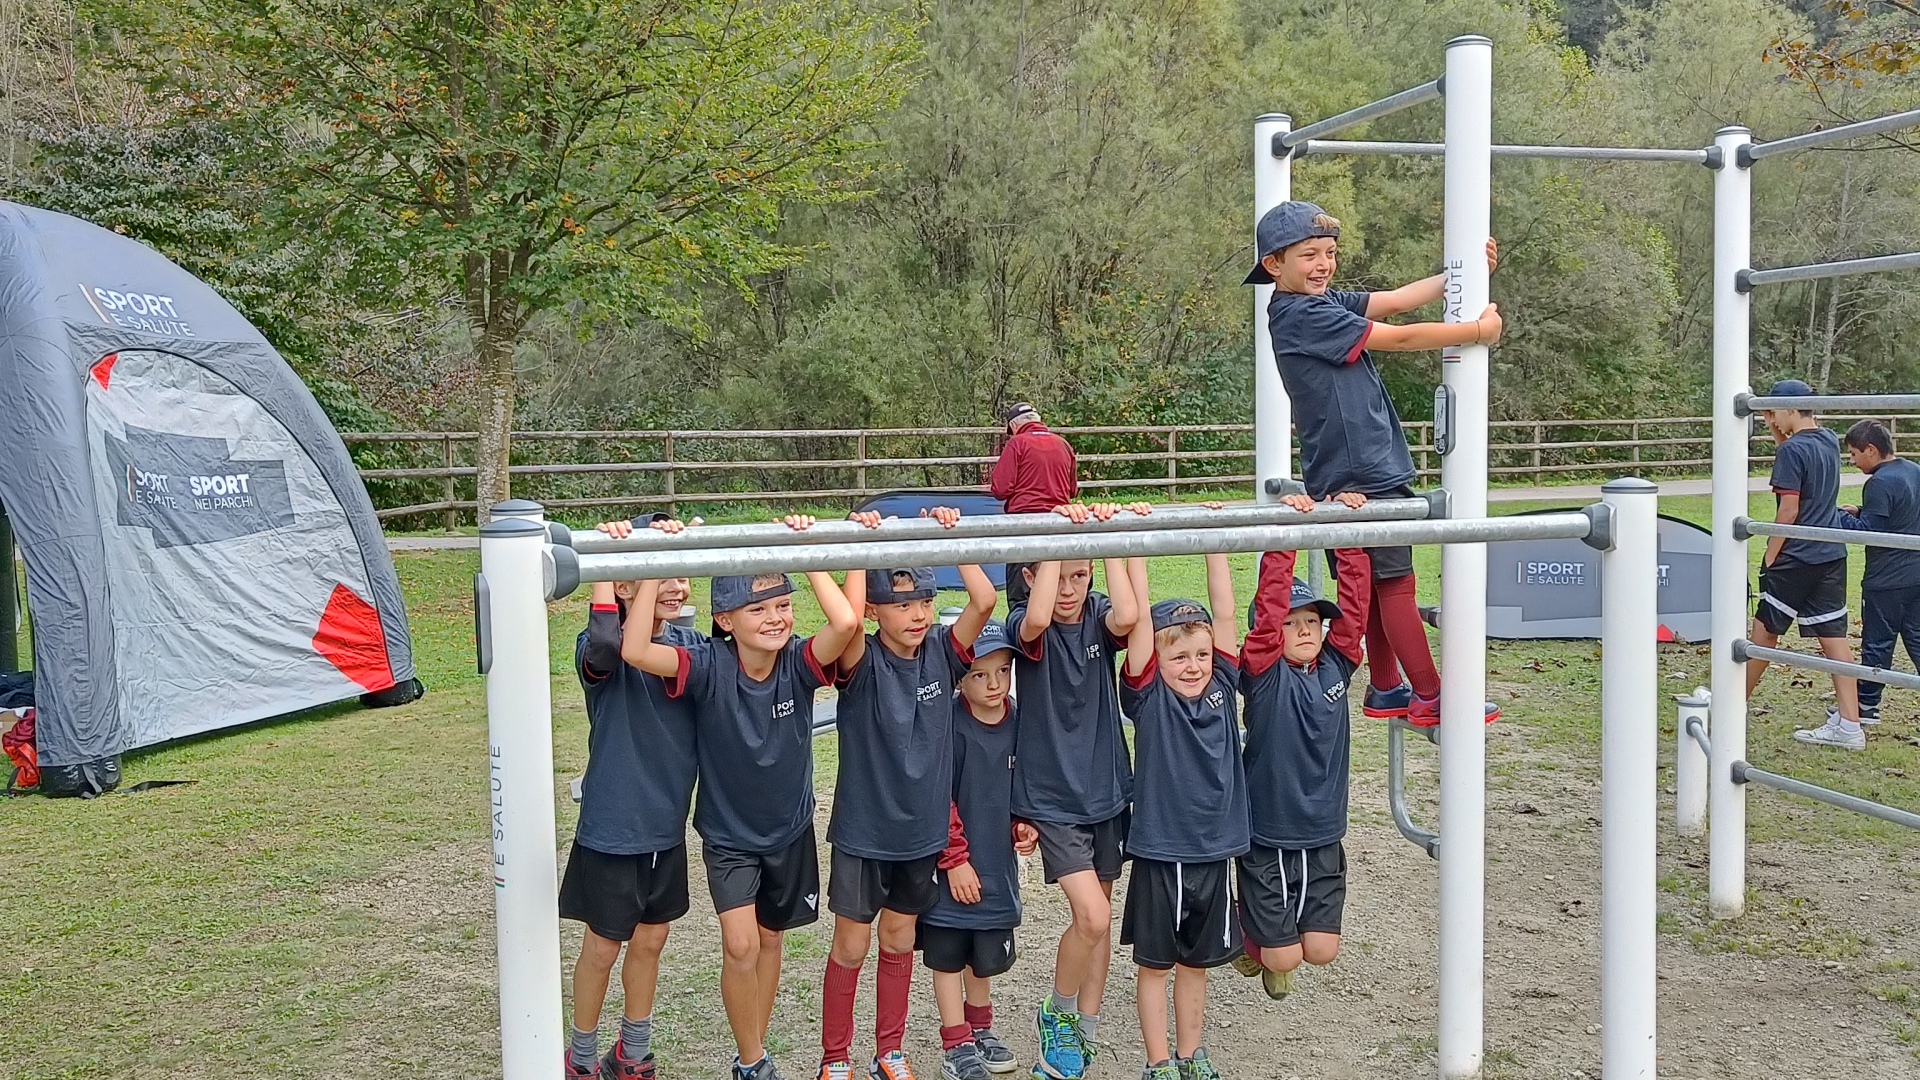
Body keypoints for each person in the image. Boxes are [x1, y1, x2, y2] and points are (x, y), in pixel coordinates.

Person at [1244, 200, 1501, 727]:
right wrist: (1475, 332)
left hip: (1349, 465)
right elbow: (1402, 337)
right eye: (1309, 255)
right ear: (1274, 265)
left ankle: (1385, 687)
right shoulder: (1304, 315)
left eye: (1330, 253)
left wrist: (1469, 276)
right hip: (1358, 468)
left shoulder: (1318, 302)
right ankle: (1432, 695)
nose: (1323, 264)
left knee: (1381, 585)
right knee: (1397, 584)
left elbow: (1397, 302)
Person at [620, 546, 862, 1080]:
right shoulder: (707, 665)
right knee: (741, 942)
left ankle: (753, 1049)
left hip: (790, 829)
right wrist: (654, 564)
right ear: (725, 620)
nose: (774, 618)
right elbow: (635, 649)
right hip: (729, 835)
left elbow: (845, 620)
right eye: (758, 609)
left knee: (771, 939)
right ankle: (753, 1061)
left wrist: (807, 554)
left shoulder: (798, 663)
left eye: (782, 605)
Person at [818, 519, 998, 1080]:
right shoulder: (859, 660)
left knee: (898, 938)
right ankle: (835, 1058)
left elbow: (985, 598)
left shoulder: (944, 653)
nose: (917, 614)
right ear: (875, 611)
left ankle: (888, 1051)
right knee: (851, 943)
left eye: (923, 599)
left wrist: (950, 538)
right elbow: (843, 620)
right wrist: (859, 547)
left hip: (920, 834)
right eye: (900, 604)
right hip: (864, 832)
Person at [562, 515, 692, 1080]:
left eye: (677, 570)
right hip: (614, 825)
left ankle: (632, 1051)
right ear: (621, 587)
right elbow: (610, 643)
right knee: (603, 946)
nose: (673, 583)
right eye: (654, 570)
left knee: (652, 938)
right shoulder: (598, 649)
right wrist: (603, 563)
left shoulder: (689, 646)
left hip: (666, 823)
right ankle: (582, 1056)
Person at [1229, 498, 1372, 1001]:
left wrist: (1344, 527)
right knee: (1284, 955)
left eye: (1311, 619)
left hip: (1323, 831)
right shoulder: (1265, 676)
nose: (1305, 628)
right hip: (1267, 833)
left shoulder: (1337, 666)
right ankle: (1253, 935)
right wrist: (1286, 530)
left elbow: (1355, 607)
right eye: (1293, 623)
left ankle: (1273, 943)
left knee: (1321, 951)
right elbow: (1268, 610)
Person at [1115, 559, 1249, 1080]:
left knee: (1197, 962)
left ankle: (1192, 1055)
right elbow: (1142, 630)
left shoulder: (1222, 688)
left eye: (1201, 655)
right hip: (1161, 851)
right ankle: (1158, 1061)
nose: (1193, 666)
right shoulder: (1149, 696)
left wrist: (1216, 548)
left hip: (1214, 850)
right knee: (1155, 964)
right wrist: (1139, 553)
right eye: (1180, 656)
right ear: (1157, 660)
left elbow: (1225, 611)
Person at [1010, 555, 1140, 1080]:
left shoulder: (1096, 614)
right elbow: (1039, 618)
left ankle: (1084, 1029)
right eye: (1056, 576)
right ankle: (1057, 1011)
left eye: (1078, 576)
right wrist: (1058, 544)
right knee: (1093, 916)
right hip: (1052, 799)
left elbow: (1128, 616)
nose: (1068, 588)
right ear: (1031, 577)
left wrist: (1105, 542)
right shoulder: (1025, 623)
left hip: (1105, 787)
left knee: (1099, 918)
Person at [920, 619, 1039, 1080]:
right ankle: (955, 1043)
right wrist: (954, 860)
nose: (994, 684)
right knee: (949, 951)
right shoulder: (948, 724)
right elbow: (936, 794)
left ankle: (979, 1030)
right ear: (958, 679)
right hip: (954, 866)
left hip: (996, 864)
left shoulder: (1018, 722)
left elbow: (1021, 787)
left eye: (1002, 672)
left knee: (983, 951)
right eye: (979, 674)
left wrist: (1023, 825)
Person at [1742, 381, 1863, 749]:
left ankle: (1730, 707)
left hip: (1796, 557)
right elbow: (1795, 452)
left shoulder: (1792, 452)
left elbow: (1789, 509)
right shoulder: (1826, 439)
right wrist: (1777, 427)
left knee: (1764, 634)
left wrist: (1771, 552)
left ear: (1790, 410)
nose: (1770, 420)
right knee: (1834, 639)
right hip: (1830, 554)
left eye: (1773, 413)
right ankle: (1849, 725)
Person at [1833, 419, 1920, 727]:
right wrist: (1862, 510)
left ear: (1871, 450)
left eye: (1855, 454)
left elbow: (1871, 532)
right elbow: (1899, 516)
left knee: (1877, 643)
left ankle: (1866, 704)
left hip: (1886, 580)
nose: (1854, 461)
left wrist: (1837, 518)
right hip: (1915, 574)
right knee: (1916, 639)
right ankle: (1866, 700)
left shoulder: (1879, 482)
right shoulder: (1913, 471)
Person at [991, 402, 1079, 605]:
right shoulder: (1063, 444)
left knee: (1021, 592)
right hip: (1059, 522)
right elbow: (1072, 490)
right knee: (1058, 585)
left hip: (1023, 524)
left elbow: (1000, 488)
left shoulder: (1017, 443)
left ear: (1013, 426)